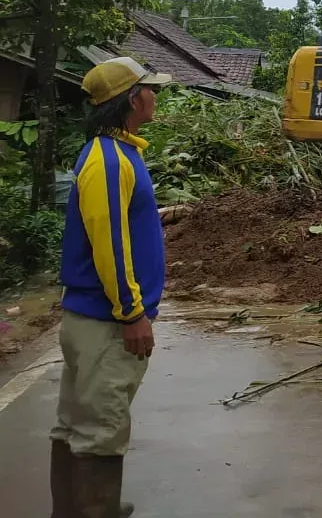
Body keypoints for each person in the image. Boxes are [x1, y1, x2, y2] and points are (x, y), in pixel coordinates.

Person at [50, 56, 171, 518]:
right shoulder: (107, 159)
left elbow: (119, 226)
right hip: (106, 322)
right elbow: (110, 245)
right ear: (131, 99)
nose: (155, 96)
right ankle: (94, 509)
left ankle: (77, 508)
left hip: (95, 316)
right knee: (100, 428)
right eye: (150, 89)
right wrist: (132, 314)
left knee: (78, 424)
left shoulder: (121, 154)